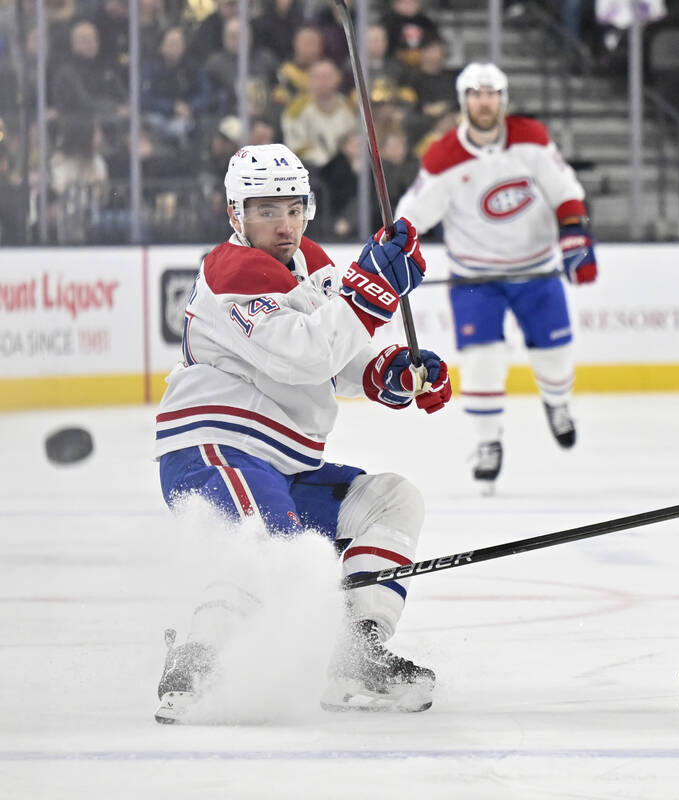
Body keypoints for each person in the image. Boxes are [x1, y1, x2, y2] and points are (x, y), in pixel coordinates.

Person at [152, 143, 452, 723]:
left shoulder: (308, 261)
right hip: (217, 449)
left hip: (283, 466)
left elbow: (340, 355)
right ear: (235, 214)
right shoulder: (231, 271)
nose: (284, 224)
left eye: (293, 208)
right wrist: (373, 290)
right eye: (266, 210)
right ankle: (195, 660)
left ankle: (357, 658)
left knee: (391, 501)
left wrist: (395, 373)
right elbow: (305, 355)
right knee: (273, 548)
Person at [395, 63, 597, 493]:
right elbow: (410, 215)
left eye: (491, 94)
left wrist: (575, 233)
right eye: (475, 94)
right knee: (482, 362)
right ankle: (488, 444)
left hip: (537, 268)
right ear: (463, 100)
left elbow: (567, 192)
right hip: (476, 277)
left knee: (555, 356)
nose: (484, 102)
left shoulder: (531, 139)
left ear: (502, 100)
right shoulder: (443, 156)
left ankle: (558, 405)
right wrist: (396, 248)